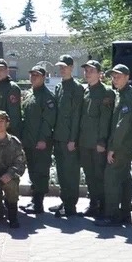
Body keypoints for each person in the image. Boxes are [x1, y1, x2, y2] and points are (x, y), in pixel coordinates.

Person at [98, 64, 132, 228]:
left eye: (118, 76)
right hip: (124, 145)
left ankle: (113, 215)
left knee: (112, 178)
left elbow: (123, 125)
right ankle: (125, 214)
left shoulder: (128, 96)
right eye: (113, 77)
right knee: (123, 179)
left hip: (122, 146)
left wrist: (113, 148)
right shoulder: (123, 94)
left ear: (127, 77)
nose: (114, 80)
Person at [77, 60, 114, 218]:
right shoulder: (86, 91)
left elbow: (105, 120)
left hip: (97, 143)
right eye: (86, 70)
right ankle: (93, 204)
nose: (87, 73)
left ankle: (103, 206)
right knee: (89, 175)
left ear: (100, 74)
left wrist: (101, 141)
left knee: (99, 176)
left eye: (91, 70)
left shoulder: (106, 92)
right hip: (85, 142)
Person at [19, 66, 57, 215]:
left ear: (43, 77)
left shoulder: (46, 96)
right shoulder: (30, 94)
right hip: (29, 141)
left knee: (41, 171)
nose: (34, 77)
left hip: (41, 142)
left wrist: (43, 139)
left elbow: (49, 120)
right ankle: (34, 200)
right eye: (32, 74)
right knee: (33, 171)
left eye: (37, 75)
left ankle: (39, 204)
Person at [51, 55, 83, 218]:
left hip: (69, 138)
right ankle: (65, 200)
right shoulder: (59, 87)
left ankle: (71, 206)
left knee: (71, 172)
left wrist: (73, 139)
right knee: (61, 172)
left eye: (65, 66)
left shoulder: (77, 88)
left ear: (71, 67)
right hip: (59, 136)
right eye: (60, 67)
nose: (62, 69)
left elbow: (77, 115)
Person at [0, 58, 21, 134]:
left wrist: (8, 133)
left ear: (7, 71)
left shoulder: (12, 88)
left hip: (9, 132)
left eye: (0, 69)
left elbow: (14, 115)